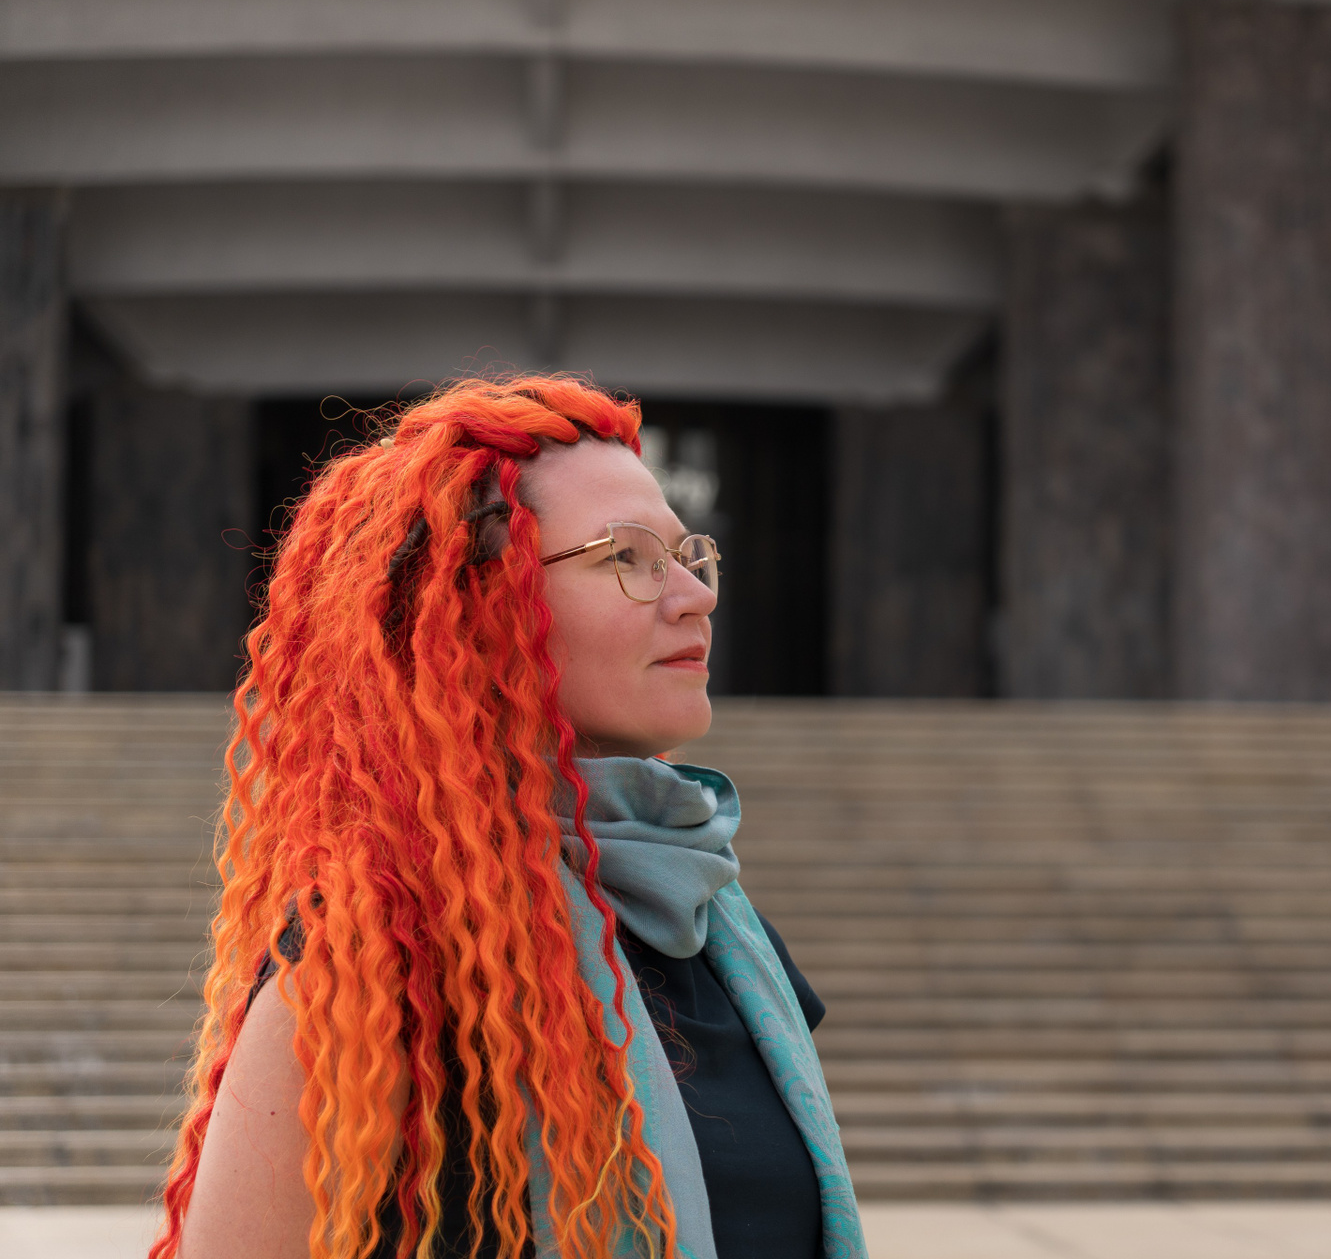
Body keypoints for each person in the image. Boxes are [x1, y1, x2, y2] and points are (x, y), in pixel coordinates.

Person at [150, 376, 865, 1259]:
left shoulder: (729, 941)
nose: (694, 595)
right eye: (628, 556)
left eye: (689, 555)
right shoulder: (367, 963)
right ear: (480, 607)